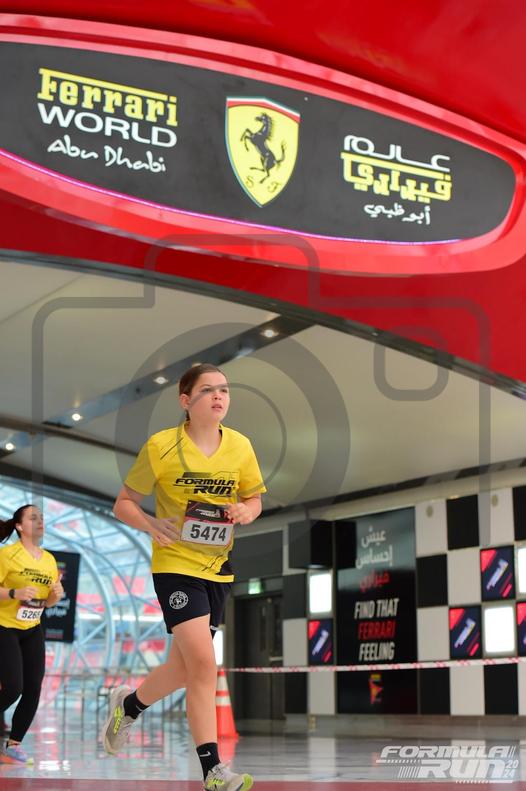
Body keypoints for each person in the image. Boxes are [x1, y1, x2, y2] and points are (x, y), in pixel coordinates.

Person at [101, 363, 266, 791]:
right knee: (204, 665)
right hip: (175, 567)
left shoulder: (241, 446)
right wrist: (151, 524)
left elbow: (254, 498)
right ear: (186, 401)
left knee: (183, 668)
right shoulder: (161, 446)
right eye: (208, 390)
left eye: (224, 389)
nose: (219, 396)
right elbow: (123, 503)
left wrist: (246, 510)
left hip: (218, 570)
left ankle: (129, 706)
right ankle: (213, 770)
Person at [0, 504, 64, 764]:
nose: (40, 521)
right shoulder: (7, 555)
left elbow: (47, 602)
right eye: (33, 517)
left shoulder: (49, 560)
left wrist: (55, 597)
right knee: (13, 687)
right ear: (19, 526)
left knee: (33, 687)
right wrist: (14, 593)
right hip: (5, 626)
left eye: (42, 517)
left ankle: (13, 745)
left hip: (32, 628)